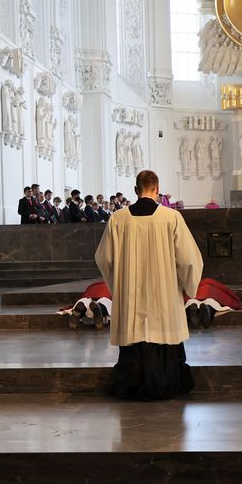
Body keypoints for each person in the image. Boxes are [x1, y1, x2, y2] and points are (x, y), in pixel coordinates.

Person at [96, 169, 203, 400]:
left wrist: (119, 285)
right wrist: (189, 286)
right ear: (157, 189)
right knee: (163, 335)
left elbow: (103, 258)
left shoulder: (118, 219)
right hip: (163, 295)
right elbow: (189, 259)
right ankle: (166, 384)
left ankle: (131, 386)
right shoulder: (171, 217)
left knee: (134, 337)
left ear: (136, 190)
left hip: (131, 298)